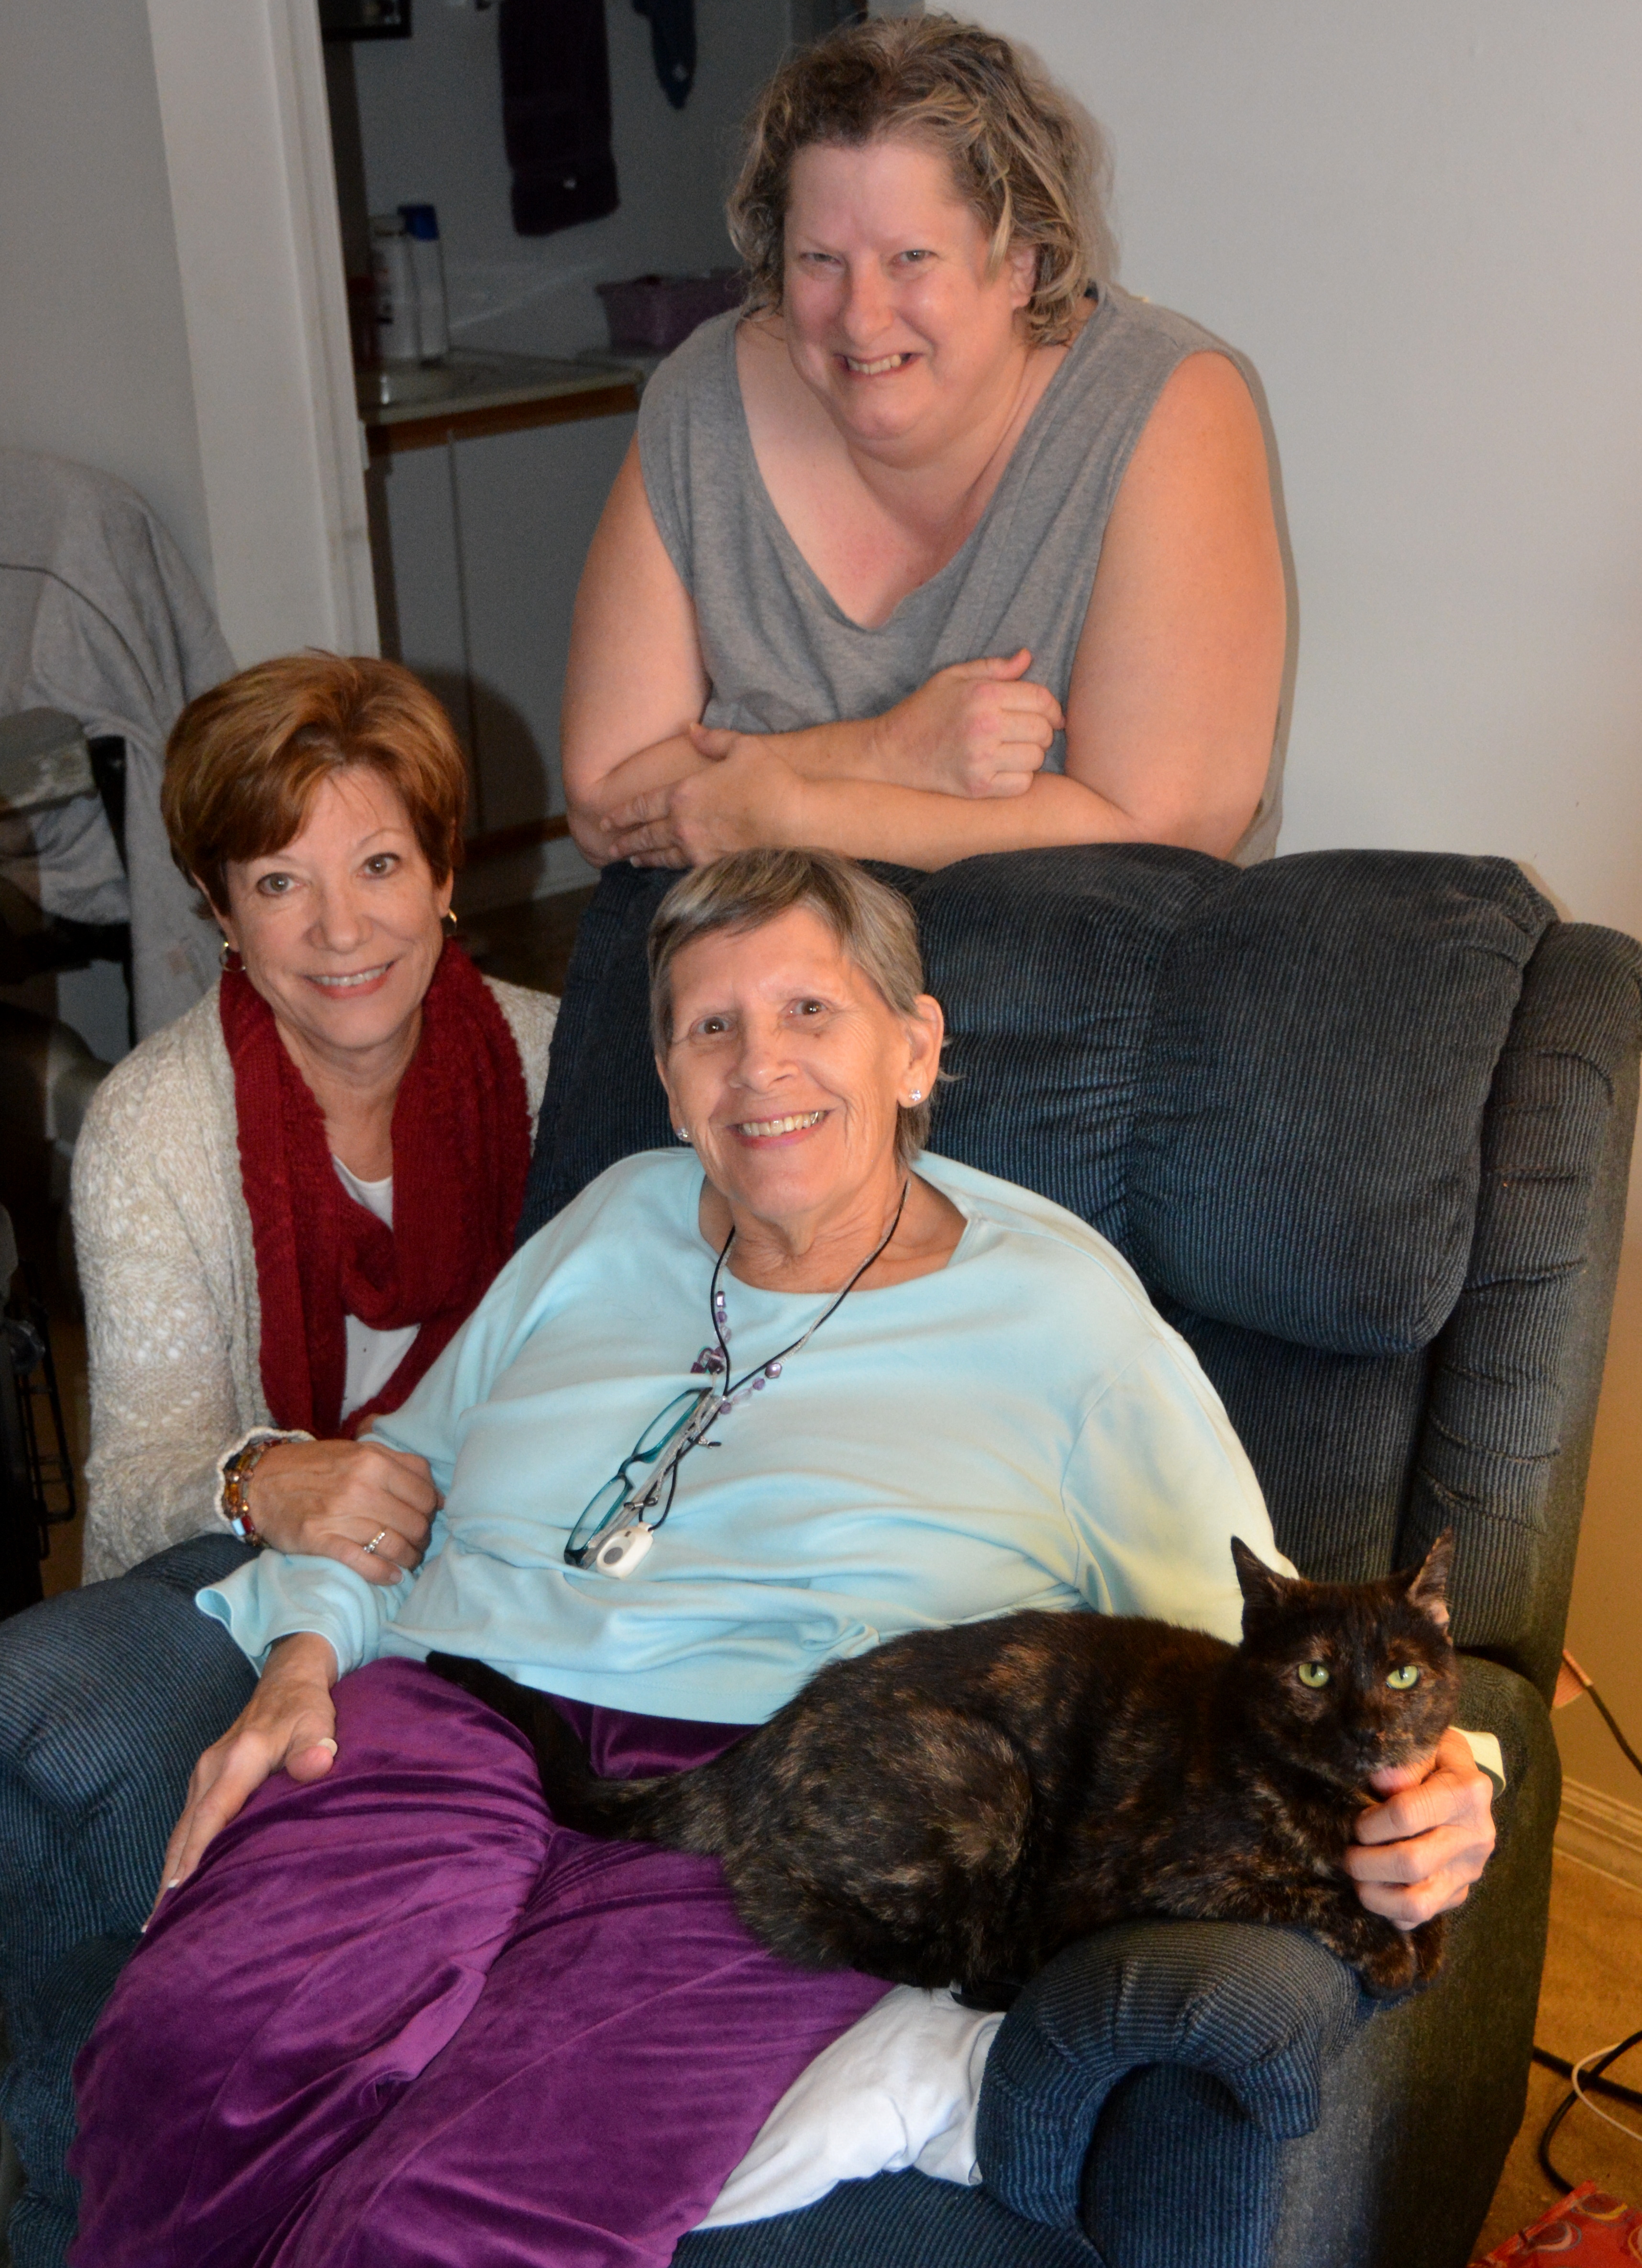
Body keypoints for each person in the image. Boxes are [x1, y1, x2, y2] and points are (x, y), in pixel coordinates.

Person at [69, 852, 1494, 2268]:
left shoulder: (1064, 1314)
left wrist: (1441, 1778)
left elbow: (1255, 1636)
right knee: (198, 2051)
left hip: (780, 1797)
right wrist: (306, 1653)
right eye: (712, 1026)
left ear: (914, 1047)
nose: (760, 1066)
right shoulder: (612, 1216)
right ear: (667, 1076)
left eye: (811, 1009)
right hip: (452, 1707)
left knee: (458, 2209)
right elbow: (396, 1474)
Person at [0, 655, 557, 2267]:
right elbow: (133, 1489)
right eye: (278, 881)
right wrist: (265, 1476)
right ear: (217, 911)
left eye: (378, 862)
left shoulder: (561, 1062)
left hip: (521, 1570)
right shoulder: (158, 1123)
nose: (339, 929)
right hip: (264, 1581)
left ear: (446, 873)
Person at [562, 16, 1288, 877]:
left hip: (1068, 961)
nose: (861, 317)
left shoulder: (1168, 404)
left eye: (910, 257)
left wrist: (792, 813)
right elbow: (605, 803)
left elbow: (1164, 831)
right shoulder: (701, 401)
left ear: (1020, 262)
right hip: (754, 959)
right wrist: (887, 750)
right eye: (820, 260)